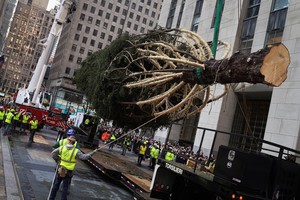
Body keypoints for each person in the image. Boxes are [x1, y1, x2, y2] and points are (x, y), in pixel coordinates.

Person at [49, 135, 94, 200]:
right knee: (65, 187)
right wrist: (91, 153)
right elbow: (83, 157)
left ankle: (51, 198)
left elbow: (53, 153)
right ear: (74, 143)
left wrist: (58, 160)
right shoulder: (76, 151)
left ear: (69, 141)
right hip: (68, 171)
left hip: (60, 168)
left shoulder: (62, 148)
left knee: (56, 184)